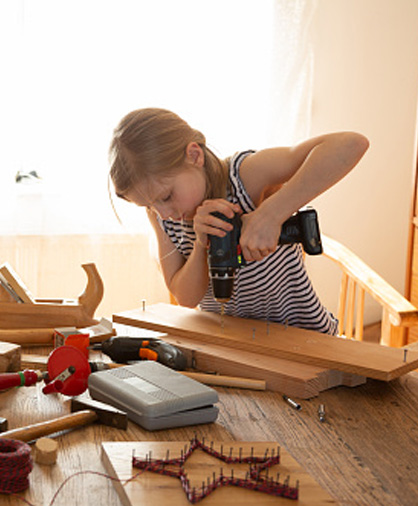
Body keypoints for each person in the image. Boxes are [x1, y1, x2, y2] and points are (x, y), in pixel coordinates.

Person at [109, 108, 369, 335]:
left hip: (304, 335)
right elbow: (186, 298)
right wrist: (201, 244)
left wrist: (270, 215)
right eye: (149, 205)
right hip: (235, 343)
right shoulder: (162, 218)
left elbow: (351, 144)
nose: (164, 213)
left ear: (194, 156)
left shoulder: (243, 177)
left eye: (166, 196)